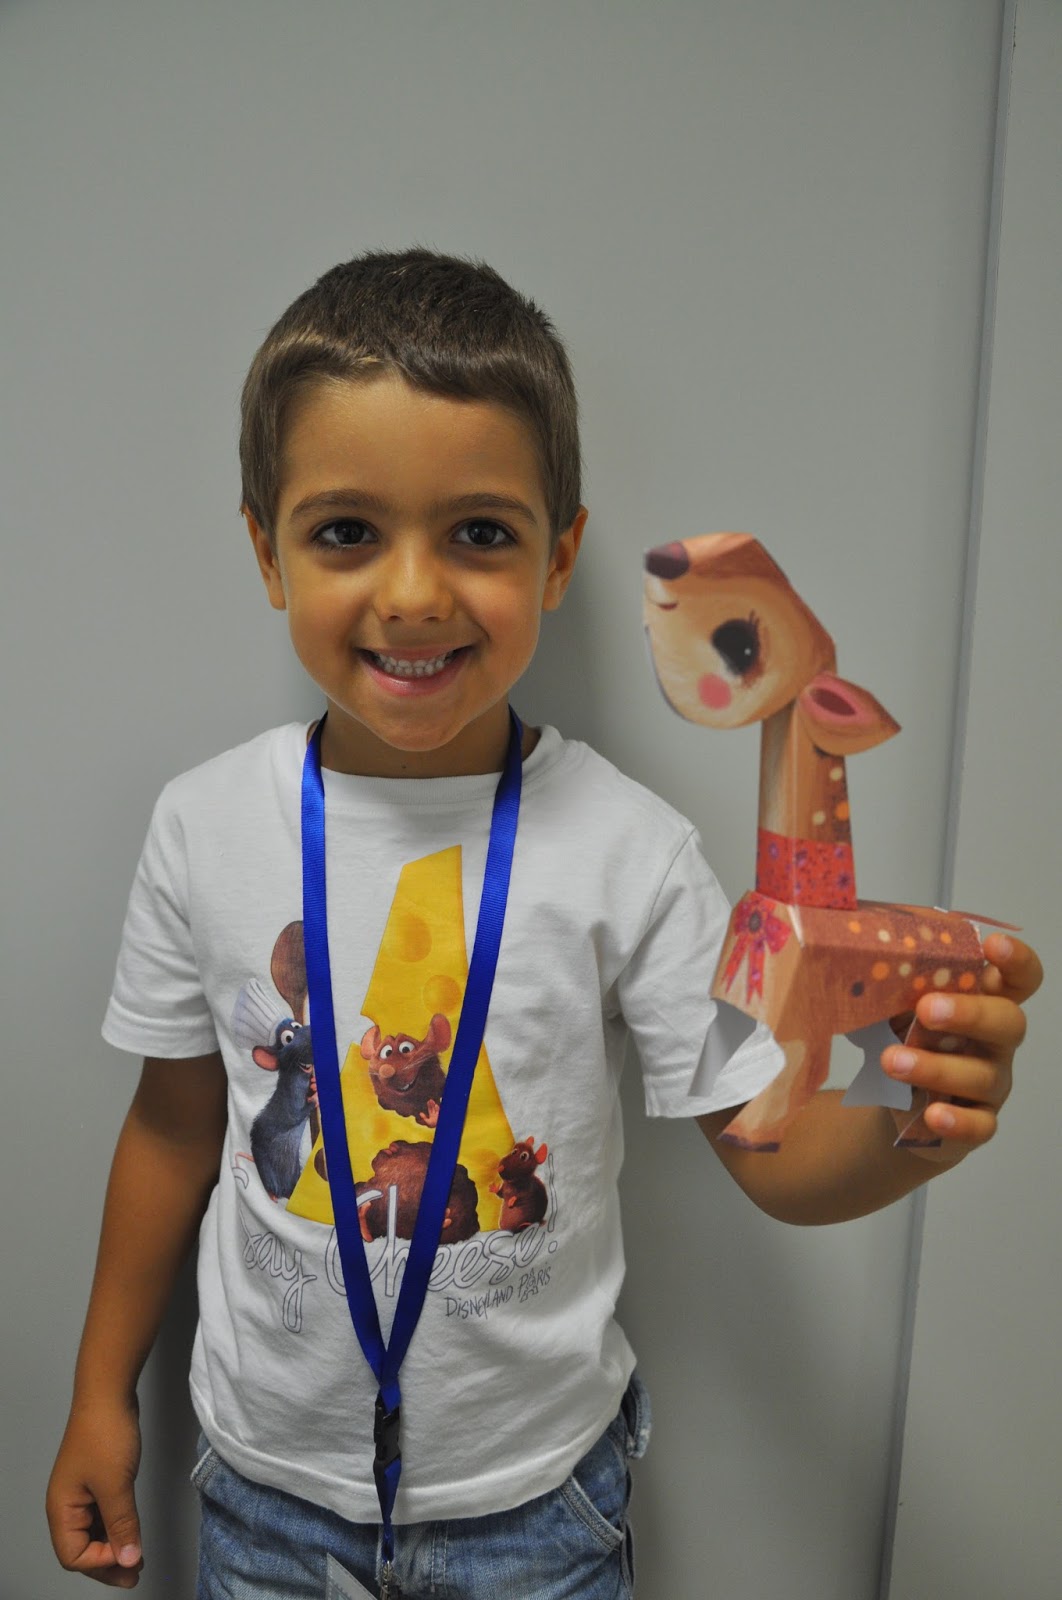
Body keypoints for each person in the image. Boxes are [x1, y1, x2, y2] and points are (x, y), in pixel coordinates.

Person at [46, 248, 1041, 1599]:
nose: (412, 593)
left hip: (534, 1517)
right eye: (345, 532)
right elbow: (174, 1131)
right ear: (266, 551)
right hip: (265, 1497)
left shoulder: (631, 852)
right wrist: (98, 1393)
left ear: (559, 555)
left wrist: (914, 1120)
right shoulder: (202, 826)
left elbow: (772, 1145)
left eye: (479, 532)